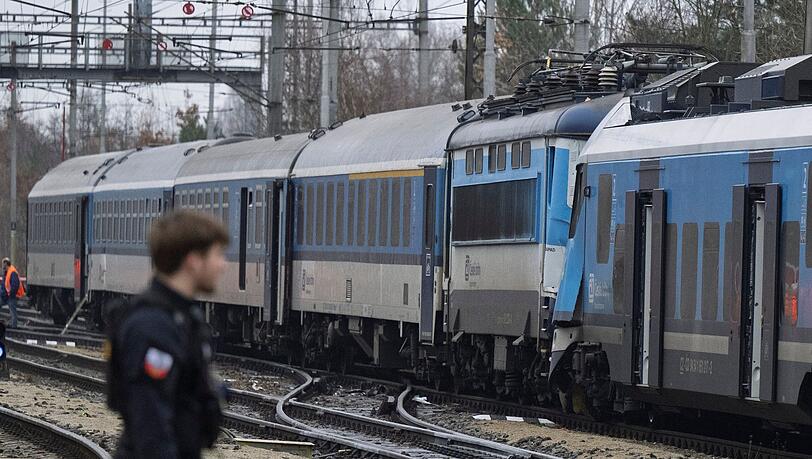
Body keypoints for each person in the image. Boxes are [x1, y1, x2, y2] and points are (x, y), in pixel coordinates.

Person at [107, 211, 228, 459]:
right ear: (193, 260)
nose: (223, 264)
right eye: (218, 255)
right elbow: (151, 426)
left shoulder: (183, 320)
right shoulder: (152, 327)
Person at [1, 258, 23, 328]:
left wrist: (10, 294)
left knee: (12, 310)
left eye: (3, 264)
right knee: (12, 310)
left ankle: (14, 325)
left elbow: (15, 285)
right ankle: (13, 324)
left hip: (11, 296)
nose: (2, 266)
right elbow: (4, 285)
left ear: (6, 264)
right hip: (6, 296)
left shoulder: (12, 272)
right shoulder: (6, 272)